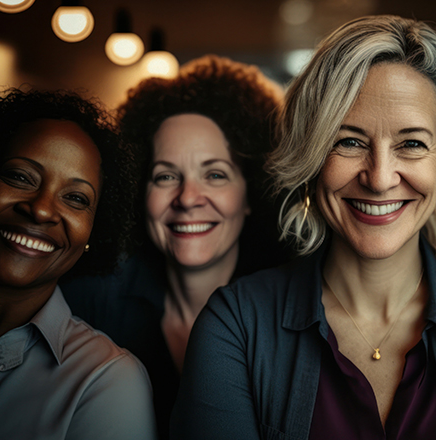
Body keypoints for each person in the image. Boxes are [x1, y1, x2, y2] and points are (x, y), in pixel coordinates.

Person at [172, 15, 436, 440]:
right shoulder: (236, 325)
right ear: (312, 152)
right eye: (348, 141)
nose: (380, 177)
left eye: (412, 144)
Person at [61, 55, 290, 439]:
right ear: (139, 190)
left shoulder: (295, 316)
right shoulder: (82, 304)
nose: (187, 198)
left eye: (215, 174)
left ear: (251, 193)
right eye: (166, 175)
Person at [0, 88, 157, 439]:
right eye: (20, 177)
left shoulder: (106, 380)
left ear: (94, 232)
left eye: (75, 198)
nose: (40, 209)